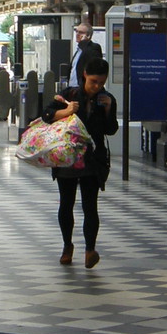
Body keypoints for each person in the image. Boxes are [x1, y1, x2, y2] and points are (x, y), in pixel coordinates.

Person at [43, 56, 117, 268]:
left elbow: (111, 130)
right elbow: (47, 114)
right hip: (67, 157)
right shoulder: (69, 95)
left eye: (101, 82)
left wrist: (109, 109)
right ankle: (67, 246)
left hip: (92, 159)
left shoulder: (106, 99)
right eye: (93, 81)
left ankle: (90, 249)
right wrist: (66, 111)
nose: (97, 86)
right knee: (66, 203)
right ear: (84, 75)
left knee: (90, 205)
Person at [66, 20, 103, 88]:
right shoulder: (78, 50)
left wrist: (84, 42)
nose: (77, 34)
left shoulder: (94, 48)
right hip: (72, 88)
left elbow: (93, 65)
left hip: (83, 88)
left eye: (81, 32)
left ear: (88, 35)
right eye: (76, 31)